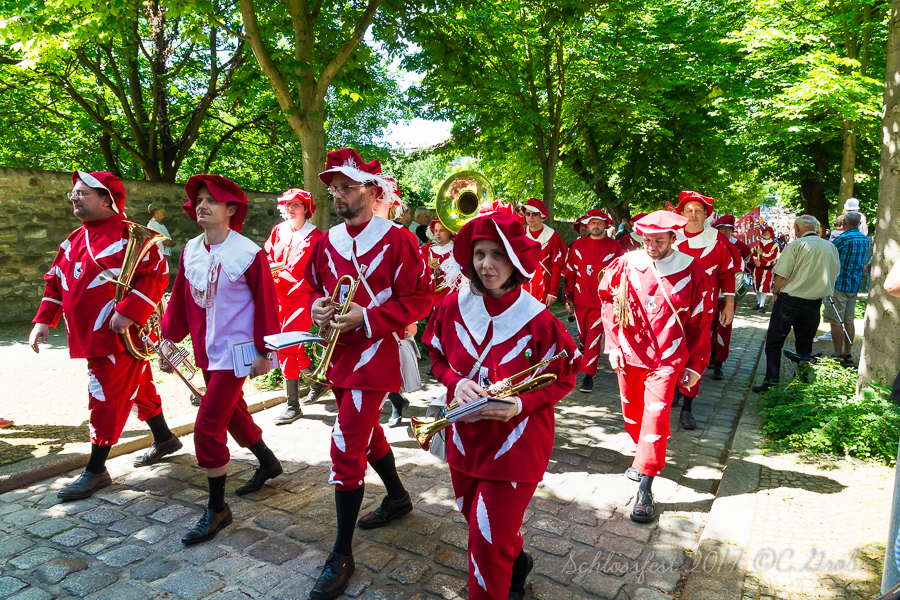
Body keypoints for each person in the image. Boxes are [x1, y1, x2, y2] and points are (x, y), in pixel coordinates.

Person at [422, 210, 580, 600]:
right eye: (479, 254)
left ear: (515, 258)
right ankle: (518, 560)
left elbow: (564, 378)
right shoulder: (450, 306)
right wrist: (455, 382)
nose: (487, 264)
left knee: (486, 540)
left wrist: (520, 405)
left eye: (498, 254)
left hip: (517, 444)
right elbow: (437, 359)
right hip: (463, 440)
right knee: (475, 519)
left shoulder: (540, 320)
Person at [305, 148, 432, 600]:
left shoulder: (399, 240)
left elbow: (420, 300)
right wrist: (316, 306)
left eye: (346, 187)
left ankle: (341, 552)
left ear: (371, 191)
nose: (337, 195)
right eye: (333, 189)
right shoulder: (325, 240)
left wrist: (370, 317)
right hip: (337, 353)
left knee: (345, 442)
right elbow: (313, 287)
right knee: (364, 432)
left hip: (376, 355)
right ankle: (398, 497)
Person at [29, 170, 179, 500]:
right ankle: (165, 439)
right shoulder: (72, 239)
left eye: (82, 193)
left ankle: (96, 469)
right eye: (73, 193)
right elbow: (55, 280)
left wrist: (129, 311)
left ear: (105, 199)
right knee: (137, 386)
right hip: (88, 333)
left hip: (117, 334)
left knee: (103, 395)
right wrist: (43, 320)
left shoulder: (130, 235)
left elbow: (156, 274)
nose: (74, 198)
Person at [161, 174, 284, 544]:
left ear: (231, 209)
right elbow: (181, 297)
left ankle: (218, 509)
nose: (202, 205)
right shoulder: (191, 250)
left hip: (237, 353)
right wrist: (168, 339)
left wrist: (266, 350)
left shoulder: (248, 253)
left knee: (207, 426)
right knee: (232, 412)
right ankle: (267, 461)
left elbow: (267, 303)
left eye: (211, 200)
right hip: (205, 350)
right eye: (198, 200)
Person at [599, 211, 711, 522]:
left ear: (674, 238)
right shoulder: (626, 263)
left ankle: (646, 489)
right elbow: (608, 300)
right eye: (646, 239)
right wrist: (613, 344)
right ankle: (643, 456)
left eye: (659, 241)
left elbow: (701, 320)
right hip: (630, 352)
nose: (651, 246)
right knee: (634, 413)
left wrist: (696, 363)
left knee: (657, 414)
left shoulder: (691, 270)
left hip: (668, 357)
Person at [669, 191, 741, 429]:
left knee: (697, 354)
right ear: (681, 213)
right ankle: (674, 392)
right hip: (674, 306)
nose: (693, 214)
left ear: (706, 214)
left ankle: (687, 405)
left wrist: (729, 303)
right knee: (673, 351)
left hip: (705, 306)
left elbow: (727, 274)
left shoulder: (718, 240)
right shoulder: (670, 237)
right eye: (688, 210)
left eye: (698, 210)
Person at [752, 215, 840, 393]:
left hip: (790, 301)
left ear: (797, 229)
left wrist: (775, 292)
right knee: (805, 344)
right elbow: (835, 273)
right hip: (814, 302)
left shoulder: (795, 245)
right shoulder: (831, 247)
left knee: (775, 342)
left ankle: (772, 383)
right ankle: (802, 382)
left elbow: (782, 276)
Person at [265, 188, 324, 423]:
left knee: (286, 347)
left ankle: (293, 406)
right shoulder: (278, 230)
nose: (290, 208)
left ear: (306, 208)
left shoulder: (317, 237)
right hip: (277, 295)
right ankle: (316, 383)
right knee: (293, 346)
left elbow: (319, 271)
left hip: (302, 298)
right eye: (287, 204)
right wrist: (270, 266)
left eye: (296, 204)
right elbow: (268, 256)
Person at [562, 209, 624, 393]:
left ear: (606, 225)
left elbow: (621, 276)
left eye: (599, 223)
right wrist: (568, 298)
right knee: (582, 338)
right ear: (587, 225)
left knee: (593, 339)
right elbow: (570, 274)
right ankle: (586, 360)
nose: (595, 226)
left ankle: (588, 376)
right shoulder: (577, 245)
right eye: (592, 223)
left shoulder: (615, 247)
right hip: (580, 300)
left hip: (602, 303)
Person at [708, 215, 752, 380]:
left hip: (729, 293)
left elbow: (746, 268)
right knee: (708, 325)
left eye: (728, 229)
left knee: (724, 326)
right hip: (710, 292)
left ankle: (719, 363)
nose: (725, 231)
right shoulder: (710, 243)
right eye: (721, 228)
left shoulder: (741, 247)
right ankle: (710, 355)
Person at [824, 211, 869, 366]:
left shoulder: (842, 239)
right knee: (849, 320)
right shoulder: (864, 240)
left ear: (844, 223)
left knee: (836, 320)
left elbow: (828, 254)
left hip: (839, 284)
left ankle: (837, 353)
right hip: (854, 284)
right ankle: (848, 353)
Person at [518, 198, 567, 306]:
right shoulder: (520, 235)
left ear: (541, 215)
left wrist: (553, 292)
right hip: (522, 287)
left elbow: (557, 266)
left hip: (544, 288)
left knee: (540, 320)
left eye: (534, 214)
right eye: (528, 214)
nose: (531, 217)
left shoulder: (552, 236)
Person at [421, 218, 456, 310]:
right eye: (436, 231)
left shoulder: (457, 249)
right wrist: (428, 268)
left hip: (453, 300)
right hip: (431, 301)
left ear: (449, 231)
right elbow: (417, 274)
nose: (437, 234)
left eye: (441, 231)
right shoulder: (426, 250)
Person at [749, 226, 779, 312]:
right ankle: (759, 303)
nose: (765, 234)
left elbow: (773, 257)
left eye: (767, 232)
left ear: (771, 234)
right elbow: (753, 252)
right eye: (764, 232)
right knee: (757, 286)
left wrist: (762, 254)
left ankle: (762, 305)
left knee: (764, 287)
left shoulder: (775, 245)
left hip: (767, 269)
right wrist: (755, 259)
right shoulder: (758, 243)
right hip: (757, 268)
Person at [146, 204, 176, 270]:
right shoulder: (153, 225)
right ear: (156, 212)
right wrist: (173, 242)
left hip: (165, 255)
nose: (164, 212)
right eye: (162, 210)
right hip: (160, 256)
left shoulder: (161, 225)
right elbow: (166, 242)